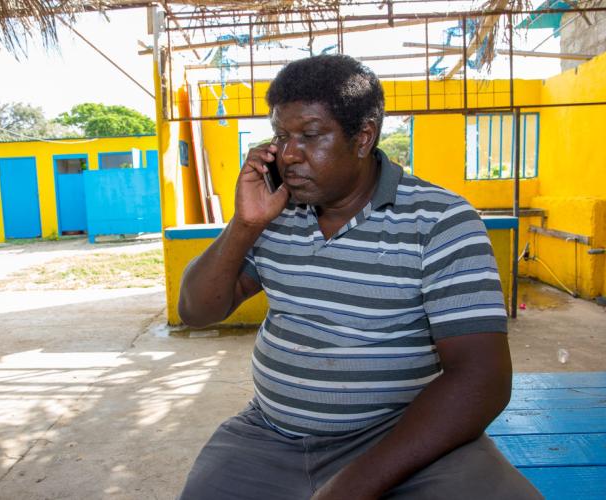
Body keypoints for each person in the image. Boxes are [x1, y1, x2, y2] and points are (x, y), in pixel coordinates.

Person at [177, 54, 542, 500]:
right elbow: (196, 311)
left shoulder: (439, 220)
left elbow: (482, 377)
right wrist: (244, 224)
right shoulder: (277, 211)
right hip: (272, 435)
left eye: (310, 136)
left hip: (399, 439)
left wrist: (353, 485)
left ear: (364, 137)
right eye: (281, 135)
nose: (289, 155)